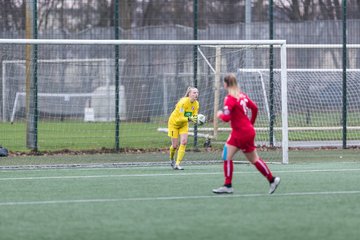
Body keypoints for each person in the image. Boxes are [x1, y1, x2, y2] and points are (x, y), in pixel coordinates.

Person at [212, 74, 280, 194]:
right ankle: (272, 180)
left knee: (226, 156)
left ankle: (228, 185)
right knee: (254, 159)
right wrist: (250, 124)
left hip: (240, 133)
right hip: (247, 131)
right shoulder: (242, 96)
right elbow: (255, 108)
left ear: (225, 84)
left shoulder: (230, 98)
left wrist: (219, 114)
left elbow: (226, 118)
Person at [168, 87, 199, 170]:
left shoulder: (196, 104)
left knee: (184, 142)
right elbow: (181, 118)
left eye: (197, 93)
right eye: (194, 92)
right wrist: (190, 118)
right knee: (174, 146)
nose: (196, 94)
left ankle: (177, 164)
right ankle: (172, 160)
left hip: (184, 124)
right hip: (174, 123)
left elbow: (195, 116)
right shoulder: (183, 102)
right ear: (189, 94)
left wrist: (198, 119)